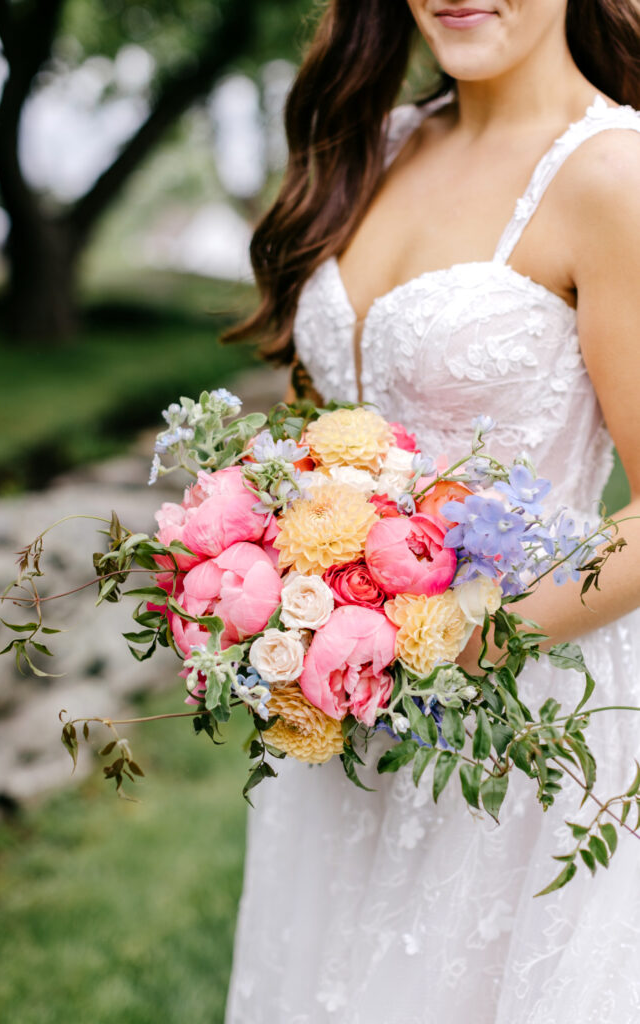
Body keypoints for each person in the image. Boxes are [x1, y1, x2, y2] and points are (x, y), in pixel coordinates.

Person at [224, 2, 640, 1020]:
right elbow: (327, 423)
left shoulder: (610, 176)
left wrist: (452, 644)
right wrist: (264, 574)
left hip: (520, 709)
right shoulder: (376, 142)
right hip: (342, 710)